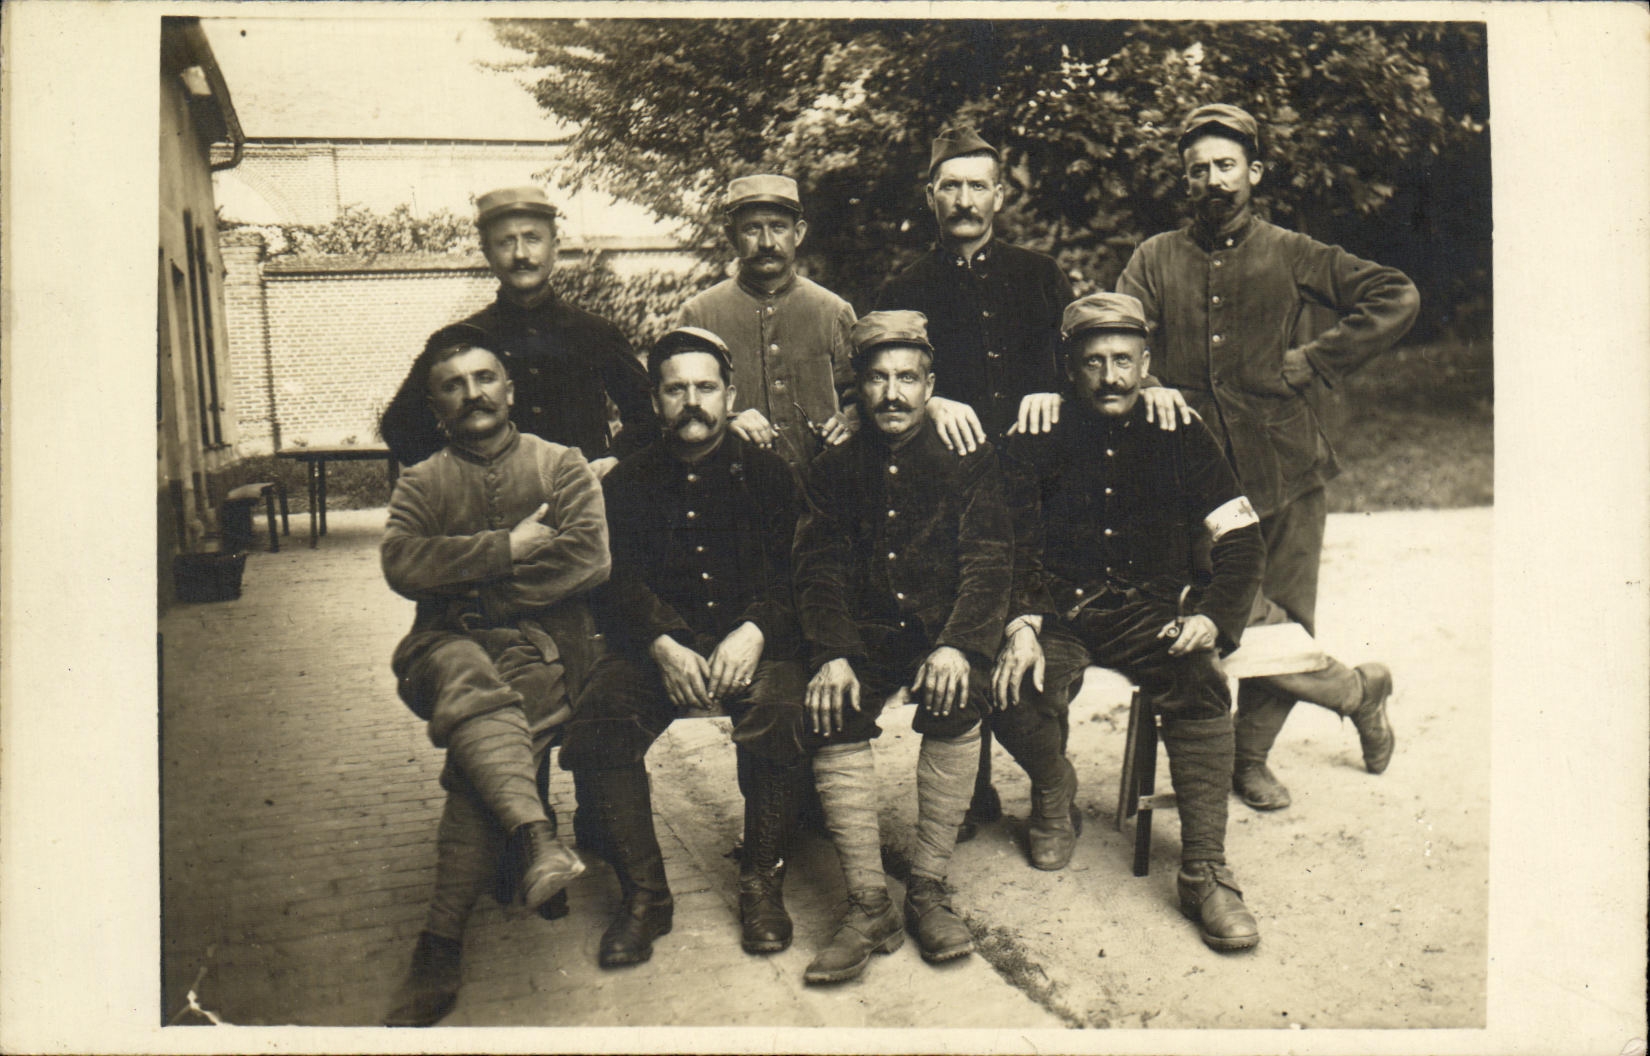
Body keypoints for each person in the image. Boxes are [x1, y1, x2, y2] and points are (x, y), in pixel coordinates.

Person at [1117, 103, 1414, 811]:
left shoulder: (1291, 250)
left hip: (1286, 469)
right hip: (1194, 482)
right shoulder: (1154, 257)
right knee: (1240, 616)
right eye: (1199, 170)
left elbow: (1394, 294)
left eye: (1226, 166)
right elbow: (1119, 333)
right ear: (1184, 181)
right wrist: (1150, 385)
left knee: (1290, 618)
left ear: (1254, 172)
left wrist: (1315, 360)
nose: (1213, 180)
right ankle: (1357, 690)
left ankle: (1248, 760)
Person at [793, 310, 1065, 983]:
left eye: (908, 378)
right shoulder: (834, 466)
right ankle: (866, 903)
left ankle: (927, 888)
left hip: (943, 628)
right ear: (856, 387)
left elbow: (988, 557)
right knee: (831, 704)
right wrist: (833, 652)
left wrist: (959, 646)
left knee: (959, 691)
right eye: (878, 378)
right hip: (867, 634)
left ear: (930, 384)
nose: (892, 393)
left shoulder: (966, 453)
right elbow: (818, 566)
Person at [995, 292, 1267, 951]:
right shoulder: (1039, 431)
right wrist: (1020, 622)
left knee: (1201, 680)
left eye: (1124, 360)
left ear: (1148, 362)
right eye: (1093, 362)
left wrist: (1212, 617)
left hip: (1150, 614)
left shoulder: (1178, 428)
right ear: (1070, 368)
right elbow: (999, 539)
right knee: (1005, 685)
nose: (1110, 376)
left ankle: (1204, 873)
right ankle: (1055, 790)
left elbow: (1243, 536)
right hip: (1057, 611)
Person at [556, 327, 813, 968]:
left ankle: (760, 882)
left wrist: (755, 630)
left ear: (730, 395)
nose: (691, 401)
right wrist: (660, 643)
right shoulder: (626, 482)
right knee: (600, 722)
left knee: (783, 710)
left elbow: (800, 572)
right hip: (656, 648)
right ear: (654, 399)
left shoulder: (771, 476)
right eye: (676, 389)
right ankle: (645, 897)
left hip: (755, 643)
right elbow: (611, 578)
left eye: (705, 387)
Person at [379, 323, 610, 1026]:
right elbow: (400, 565)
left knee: (483, 745)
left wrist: (472, 586)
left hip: (545, 646)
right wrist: (505, 549)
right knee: (470, 683)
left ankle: (440, 941)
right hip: (441, 647)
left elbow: (588, 559)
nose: (472, 394)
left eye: (484, 379)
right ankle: (537, 840)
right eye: (453, 385)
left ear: (509, 390)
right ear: (436, 404)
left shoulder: (560, 464)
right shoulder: (422, 480)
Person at [379, 185, 658, 476]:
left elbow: (649, 414)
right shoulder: (462, 338)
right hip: (495, 512)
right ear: (487, 253)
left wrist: (614, 460)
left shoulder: (595, 332)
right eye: (505, 242)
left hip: (585, 502)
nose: (521, 254)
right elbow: (399, 425)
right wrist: (461, 475)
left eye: (532, 239)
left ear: (555, 247)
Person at [679, 174, 858, 470]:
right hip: (735, 489)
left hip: (822, 492)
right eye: (751, 229)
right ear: (731, 236)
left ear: (798, 233)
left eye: (778, 228)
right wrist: (728, 420)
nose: (766, 243)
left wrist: (850, 420)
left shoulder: (833, 311)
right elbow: (675, 407)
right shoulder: (698, 315)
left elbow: (862, 393)